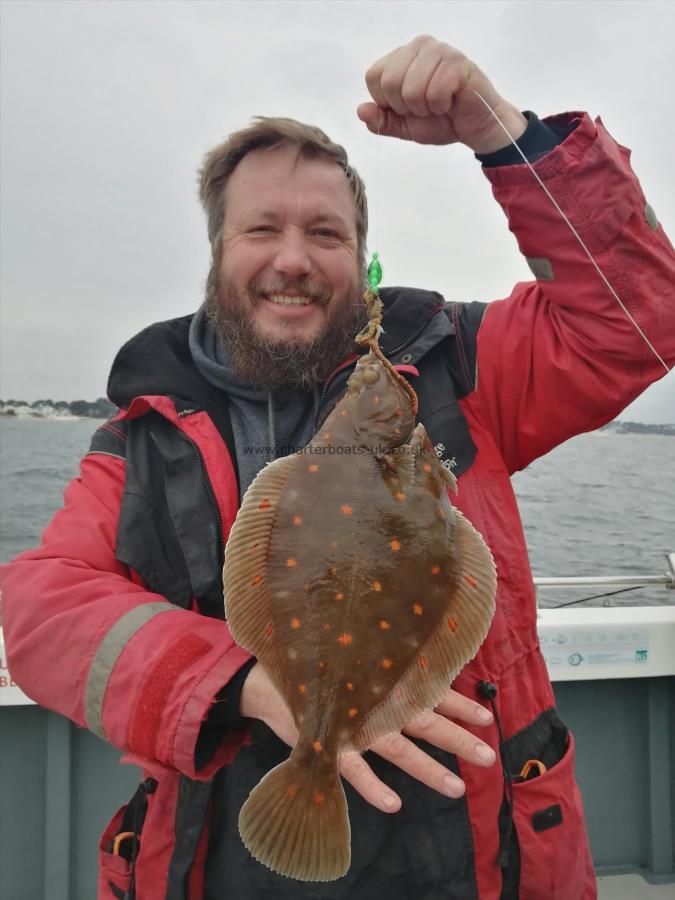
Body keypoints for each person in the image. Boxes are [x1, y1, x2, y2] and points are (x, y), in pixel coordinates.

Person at [2, 34, 673, 900]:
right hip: (217, 857)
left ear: (361, 259)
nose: (292, 258)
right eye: (261, 229)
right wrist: (246, 683)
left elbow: (638, 323)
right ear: (216, 252)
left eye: (325, 232)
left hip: (479, 848)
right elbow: (41, 609)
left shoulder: (455, 367)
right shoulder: (144, 434)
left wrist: (503, 136)